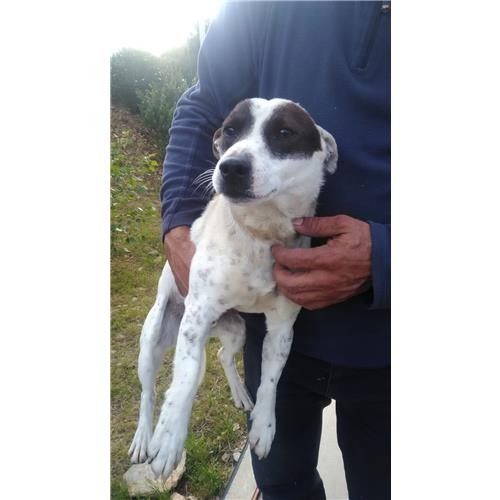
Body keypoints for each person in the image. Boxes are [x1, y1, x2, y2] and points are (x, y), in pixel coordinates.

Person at [160, 1, 390, 499]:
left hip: (390, 346)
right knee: (283, 486)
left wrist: (388, 257)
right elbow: (204, 103)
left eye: (281, 136)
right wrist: (179, 225)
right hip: (272, 331)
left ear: (325, 152)